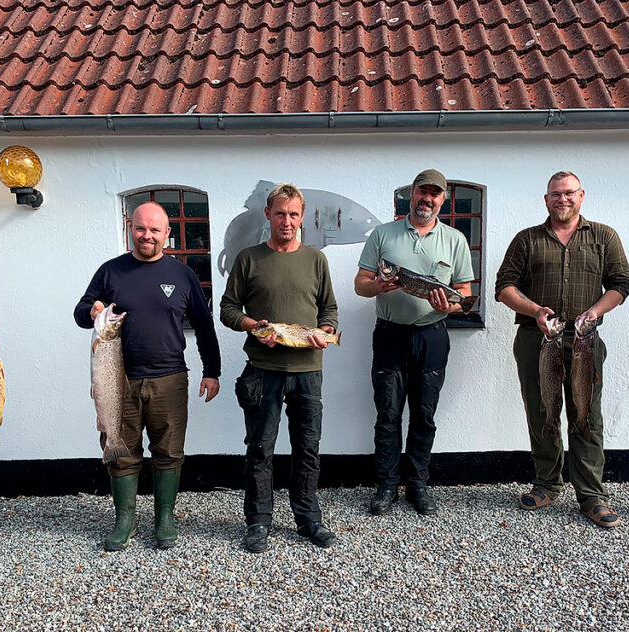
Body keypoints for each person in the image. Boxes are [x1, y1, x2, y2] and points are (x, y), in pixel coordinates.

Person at [74, 202, 221, 551]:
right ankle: (124, 519)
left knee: (168, 450)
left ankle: (164, 517)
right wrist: (92, 309)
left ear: (167, 233)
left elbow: (203, 326)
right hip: (118, 379)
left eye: (155, 230)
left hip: (169, 378)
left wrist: (212, 371)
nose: (147, 235)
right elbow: (80, 313)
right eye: (140, 228)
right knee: (120, 449)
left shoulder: (182, 275)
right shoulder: (111, 271)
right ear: (131, 230)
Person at [495, 171, 629, 528]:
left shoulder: (603, 236)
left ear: (581, 196)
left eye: (569, 193)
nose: (562, 199)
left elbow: (621, 284)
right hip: (537, 339)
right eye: (556, 194)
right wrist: (535, 311)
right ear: (546, 199)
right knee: (543, 410)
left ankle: (592, 496)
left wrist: (595, 311)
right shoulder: (527, 239)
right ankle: (547, 483)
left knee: (586, 413)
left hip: (585, 339)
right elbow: (504, 286)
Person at [220, 183, 339, 553]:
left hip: (308, 371)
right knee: (260, 449)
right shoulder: (248, 259)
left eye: (293, 214)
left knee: (307, 448)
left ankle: (308, 519)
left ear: (302, 218)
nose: (286, 221)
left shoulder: (316, 260)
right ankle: (258, 521)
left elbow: (329, 309)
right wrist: (253, 326)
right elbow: (228, 309)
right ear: (268, 215)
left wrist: (327, 331)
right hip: (263, 369)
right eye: (280, 214)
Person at [354, 169, 473, 516]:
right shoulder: (383, 234)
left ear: (443, 200)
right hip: (389, 335)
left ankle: (417, 484)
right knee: (387, 413)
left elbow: (464, 293)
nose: (427, 198)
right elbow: (360, 283)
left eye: (435, 194)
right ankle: (387, 484)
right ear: (412, 193)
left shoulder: (455, 240)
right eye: (423, 191)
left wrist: (449, 306)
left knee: (424, 414)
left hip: (431, 336)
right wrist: (377, 286)